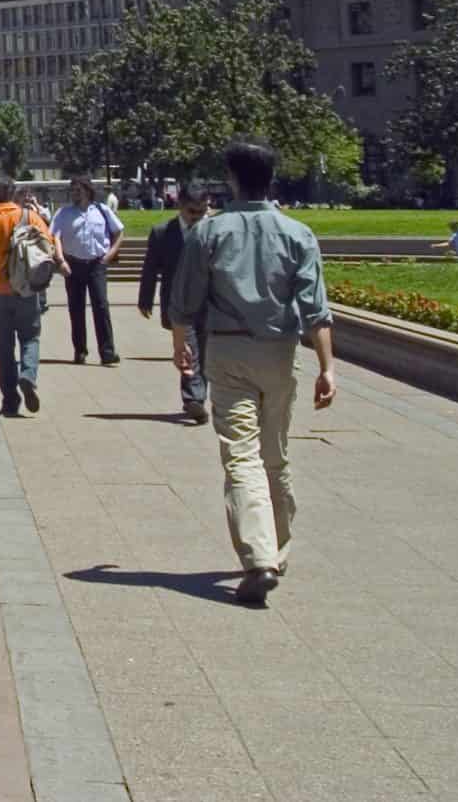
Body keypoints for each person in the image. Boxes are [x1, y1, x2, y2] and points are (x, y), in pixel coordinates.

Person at [170, 140, 336, 608]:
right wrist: (328, 367)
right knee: (274, 455)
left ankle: (259, 557)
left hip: (227, 348)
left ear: (233, 180)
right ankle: (277, 549)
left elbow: (185, 300)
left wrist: (180, 342)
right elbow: (316, 310)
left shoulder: (209, 233)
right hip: (280, 351)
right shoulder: (297, 233)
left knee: (240, 455)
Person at [0, 174, 55, 418]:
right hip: (26, 290)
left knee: (4, 348)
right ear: (13, 193)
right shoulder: (30, 217)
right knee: (31, 337)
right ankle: (28, 375)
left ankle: (10, 400)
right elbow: (47, 244)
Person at [137, 185, 211, 424]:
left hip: (209, 302)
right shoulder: (162, 233)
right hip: (178, 304)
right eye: (191, 211)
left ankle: (197, 395)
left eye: (202, 211)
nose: (196, 217)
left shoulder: (214, 231)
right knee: (189, 348)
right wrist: (145, 298)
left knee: (205, 351)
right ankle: (194, 398)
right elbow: (150, 268)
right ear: (180, 206)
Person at [51, 176, 125, 365]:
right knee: (76, 309)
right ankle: (80, 350)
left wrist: (109, 255)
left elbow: (118, 232)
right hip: (73, 265)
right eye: (73, 190)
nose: (75, 193)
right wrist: (60, 260)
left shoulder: (102, 210)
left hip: (96, 265)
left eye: (78, 190)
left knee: (101, 306)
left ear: (88, 191)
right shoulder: (63, 213)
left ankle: (107, 352)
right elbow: (55, 238)